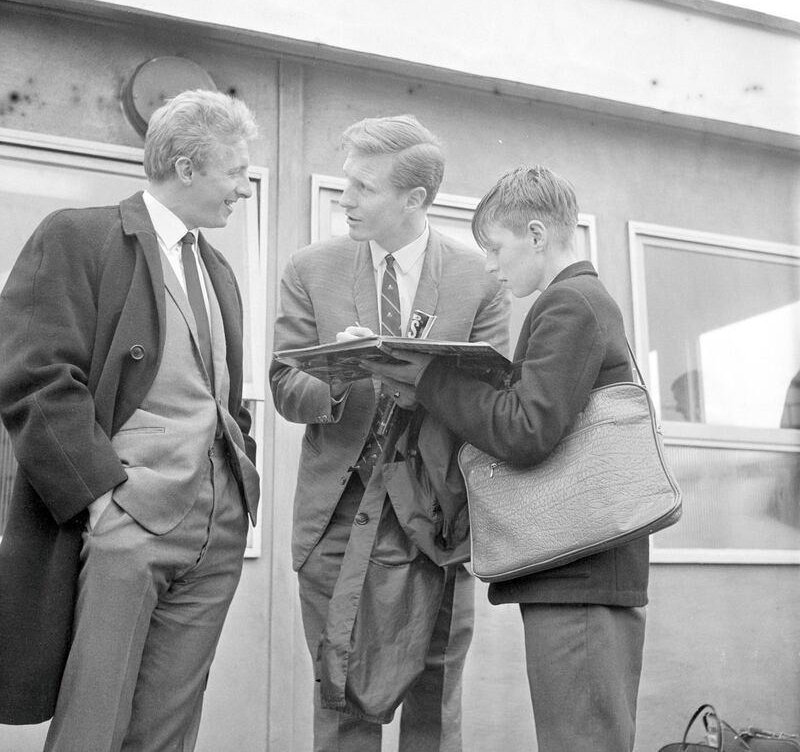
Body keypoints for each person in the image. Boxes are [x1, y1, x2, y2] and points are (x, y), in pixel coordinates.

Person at [0, 89, 261, 751]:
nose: (244, 188)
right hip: (126, 520)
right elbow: (34, 376)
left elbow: (220, 396)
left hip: (217, 525)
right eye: (236, 170)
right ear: (185, 165)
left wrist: (236, 482)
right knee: (93, 725)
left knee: (170, 730)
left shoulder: (219, 269)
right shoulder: (79, 235)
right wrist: (99, 498)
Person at [366, 165, 650, 752]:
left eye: (495, 248)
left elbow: (526, 429)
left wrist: (431, 379)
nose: (490, 266)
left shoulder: (570, 304)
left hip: (582, 577)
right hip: (580, 572)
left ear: (538, 234)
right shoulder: (576, 301)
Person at [269, 114, 509, 751]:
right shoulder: (310, 269)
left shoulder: (478, 279)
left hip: (437, 517)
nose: (344, 199)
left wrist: (419, 378)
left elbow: (493, 401)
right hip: (335, 517)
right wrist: (340, 375)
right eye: (346, 182)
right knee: (342, 696)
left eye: (363, 187)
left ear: (415, 199)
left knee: (435, 697)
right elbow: (286, 390)